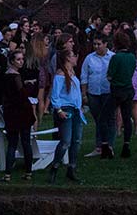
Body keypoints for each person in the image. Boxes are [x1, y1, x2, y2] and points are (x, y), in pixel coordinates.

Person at [49, 48, 85, 183]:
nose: (76, 57)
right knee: (66, 141)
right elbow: (55, 94)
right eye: (74, 55)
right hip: (66, 109)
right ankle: (55, 166)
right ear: (68, 58)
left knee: (76, 140)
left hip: (75, 110)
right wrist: (58, 110)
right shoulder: (60, 75)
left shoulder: (72, 73)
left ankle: (72, 168)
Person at [0, 50, 35, 182]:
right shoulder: (15, 76)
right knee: (25, 142)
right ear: (12, 61)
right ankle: (28, 172)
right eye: (18, 59)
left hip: (10, 112)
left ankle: (8, 174)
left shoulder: (6, 76)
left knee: (12, 144)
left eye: (22, 59)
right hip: (21, 112)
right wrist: (30, 85)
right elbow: (22, 94)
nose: (21, 61)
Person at [80, 35, 114, 158]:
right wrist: (84, 94)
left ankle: (109, 145)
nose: (96, 46)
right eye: (94, 44)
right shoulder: (89, 58)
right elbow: (84, 76)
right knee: (99, 119)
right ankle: (99, 146)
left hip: (107, 92)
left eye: (99, 44)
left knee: (109, 119)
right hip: (94, 93)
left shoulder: (112, 57)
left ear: (105, 44)